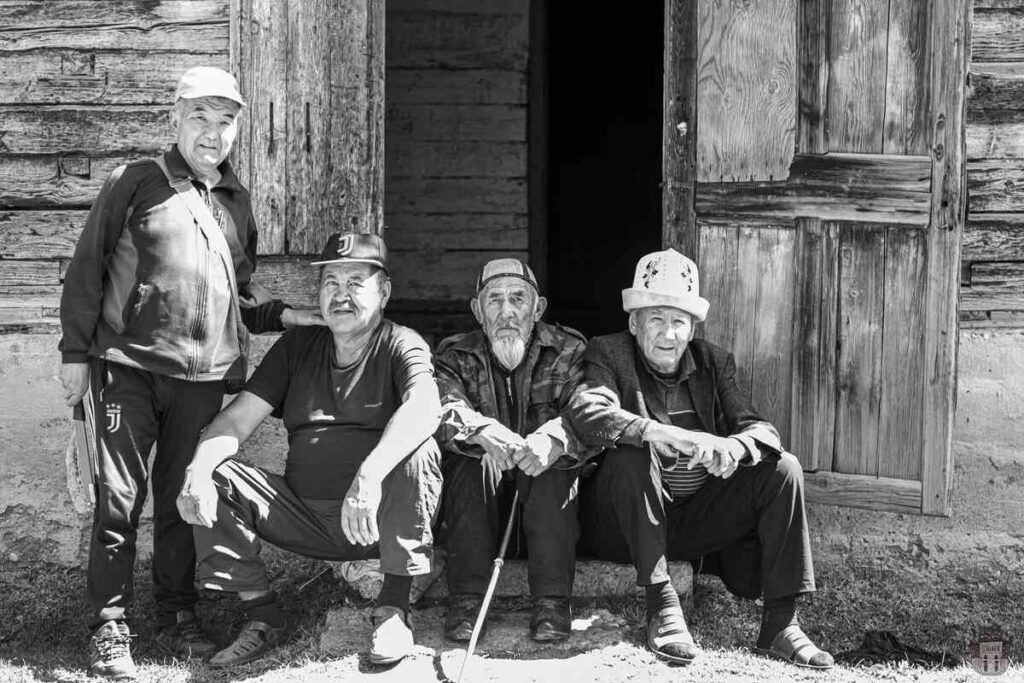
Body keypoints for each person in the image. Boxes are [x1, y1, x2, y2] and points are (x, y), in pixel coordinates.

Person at [57, 66, 323, 679]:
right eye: (200, 116)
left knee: (185, 502)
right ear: (174, 118)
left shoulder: (236, 202)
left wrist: (287, 315)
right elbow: (86, 269)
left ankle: (178, 614)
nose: (212, 131)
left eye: (225, 121)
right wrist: (75, 356)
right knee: (118, 501)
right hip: (126, 368)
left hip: (204, 383)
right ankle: (108, 627)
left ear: (236, 131)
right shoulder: (135, 182)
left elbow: (242, 296)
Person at [176, 232, 443, 668]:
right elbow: (236, 420)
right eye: (330, 283)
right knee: (213, 468)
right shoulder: (298, 347)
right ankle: (262, 615)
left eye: (355, 282)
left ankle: (394, 609)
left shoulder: (400, 342)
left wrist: (369, 475)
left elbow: (426, 406)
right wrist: (197, 473)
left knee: (419, 450)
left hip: (375, 516)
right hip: (304, 516)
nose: (341, 296)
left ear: (384, 291)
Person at [568, 248, 834, 670]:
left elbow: (760, 429)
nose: (667, 334)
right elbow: (585, 412)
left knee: (784, 469)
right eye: (655, 319)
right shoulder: (608, 353)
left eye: (678, 322)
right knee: (631, 456)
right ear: (634, 322)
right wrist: (658, 431)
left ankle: (781, 624)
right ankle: (663, 606)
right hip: (620, 525)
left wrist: (735, 447)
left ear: (692, 328)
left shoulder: (714, 361)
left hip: (689, 522)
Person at [434, 259, 588, 643]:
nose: (506, 312)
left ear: (537, 309)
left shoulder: (569, 349)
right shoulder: (455, 355)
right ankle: (468, 600)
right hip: (481, 509)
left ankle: (552, 602)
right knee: (471, 459)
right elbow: (442, 406)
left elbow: (588, 411)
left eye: (518, 299)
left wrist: (553, 439)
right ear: (477, 311)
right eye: (495, 300)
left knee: (554, 459)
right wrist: (481, 431)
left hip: (552, 510)